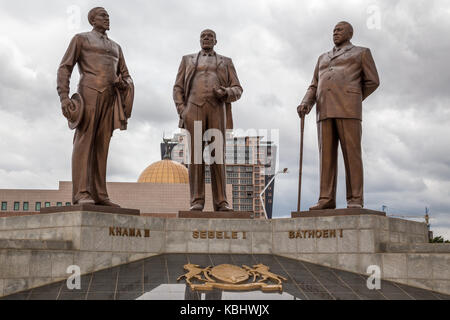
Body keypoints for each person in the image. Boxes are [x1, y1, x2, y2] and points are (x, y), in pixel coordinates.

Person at [297, 21, 379, 210]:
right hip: (324, 110)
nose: (335, 33)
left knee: (352, 154)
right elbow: (314, 85)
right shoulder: (322, 57)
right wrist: (306, 103)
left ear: (350, 33)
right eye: (333, 30)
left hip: (348, 109)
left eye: (339, 30)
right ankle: (326, 198)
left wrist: (353, 97)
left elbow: (373, 81)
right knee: (325, 157)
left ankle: (355, 199)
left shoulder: (361, 52)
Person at [57, 7, 134, 207]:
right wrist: (64, 96)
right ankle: (81, 193)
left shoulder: (117, 47)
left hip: (110, 98)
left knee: (102, 146)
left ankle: (100, 193)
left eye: (108, 16)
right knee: (84, 142)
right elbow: (65, 67)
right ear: (92, 20)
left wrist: (124, 84)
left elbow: (126, 75)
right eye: (102, 16)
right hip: (88, 94)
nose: (107, 19)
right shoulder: (80, 39)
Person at [173, 29, 243, 211]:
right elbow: (177, 87)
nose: (206, 38)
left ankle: (221, 202)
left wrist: (226, 92)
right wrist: (183, 110)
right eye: (203, 36)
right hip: (193, 108)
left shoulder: (226, 62)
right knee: (196, 157)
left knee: (217, 156)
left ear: (216, 41)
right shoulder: (187, 60)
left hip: (216, 109)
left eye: (210, 36)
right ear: (199, 40)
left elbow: (238, 89)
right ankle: (196, 200)